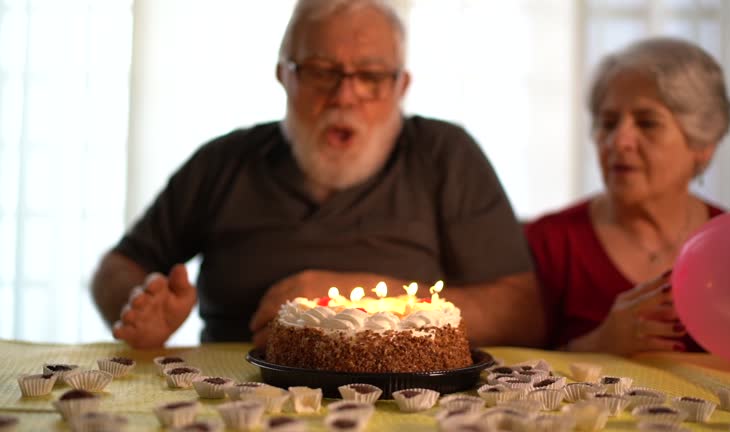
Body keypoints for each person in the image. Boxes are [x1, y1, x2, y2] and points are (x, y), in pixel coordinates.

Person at [91, 0, 546, 350]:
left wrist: (360, 299)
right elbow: (118, 267)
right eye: (321, 72)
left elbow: (520, 313)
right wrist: (138, 308)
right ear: (283, 76)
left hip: (402, 398)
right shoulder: (225, 161)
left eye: (370, 76)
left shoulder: (445, 155)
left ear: (401, 86)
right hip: (234, 398)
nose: (344, 96)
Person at [525, 37, 730, 356]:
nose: (618, 141)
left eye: (648, 123)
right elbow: (508, 373)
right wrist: (600, 344)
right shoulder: (550, 242)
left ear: (703, 144)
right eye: (607, 123)